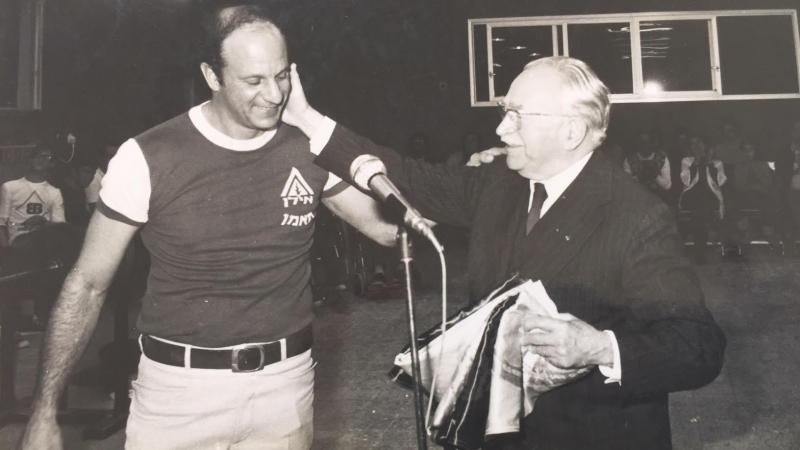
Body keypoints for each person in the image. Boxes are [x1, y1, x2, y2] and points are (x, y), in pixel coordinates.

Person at [285, 56, 725, 449]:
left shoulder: (637, 216)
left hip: (595, 434)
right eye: (504, 112)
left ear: (570, 131)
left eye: (516, 115)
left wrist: (601, 347)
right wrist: (305, 118)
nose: (500, 129)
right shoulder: (498, 183)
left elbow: (697, 347)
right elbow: (407, 175)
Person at [20, 3, 397, 450]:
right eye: (253, 81)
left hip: (284, 388)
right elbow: (86, 284)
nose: (274, 95)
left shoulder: (309, 144)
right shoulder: (147, 156)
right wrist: (44, 412)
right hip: (179, 395)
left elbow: (388, 230)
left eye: (282, 76)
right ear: (212, 76)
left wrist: (490, 183)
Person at [678, 136, 729, 263]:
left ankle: (700, 250)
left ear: (705, 146)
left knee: (701, 210)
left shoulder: (717, 163)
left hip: (710, 197)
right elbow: (686, 180)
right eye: (693, 144)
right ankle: (703, 244)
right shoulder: (686, 161)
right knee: (700, 206)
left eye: (699, 144)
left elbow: (720, 182)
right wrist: (696, 164)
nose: (696, 147)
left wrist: (709, 163)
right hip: (691, 196)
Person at [622, 130, 672, 204]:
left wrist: (655, 176)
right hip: (636, 201)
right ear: (637, 144)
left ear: (652, 143)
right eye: (641, 142)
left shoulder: (662, 158)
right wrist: (639, 177)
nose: (645, 145)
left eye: (647, 142)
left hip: (659, 200)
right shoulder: (629, 160)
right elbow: (626, 188)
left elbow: (667, 186)